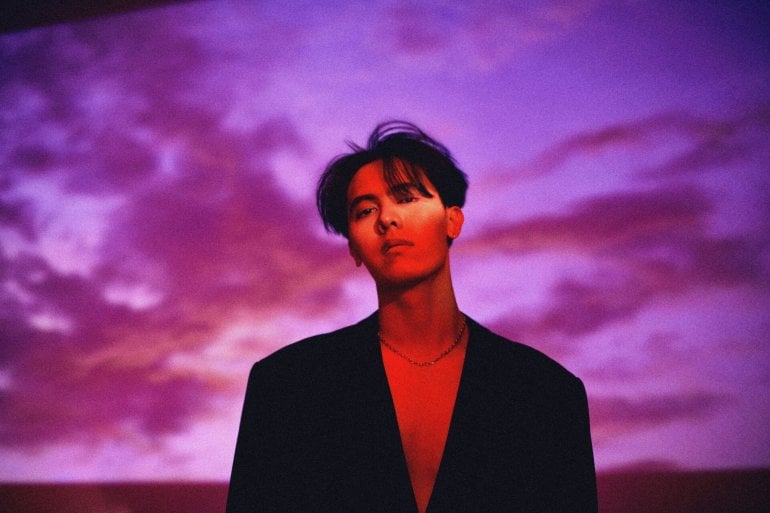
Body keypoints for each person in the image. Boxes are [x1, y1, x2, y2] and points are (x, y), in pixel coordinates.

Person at [226, 121, 598, 513]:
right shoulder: (287, 386)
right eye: (365, 210)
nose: (386, 218)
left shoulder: (546, 393)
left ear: (453, 220)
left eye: (405, 197)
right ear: (354, 248)